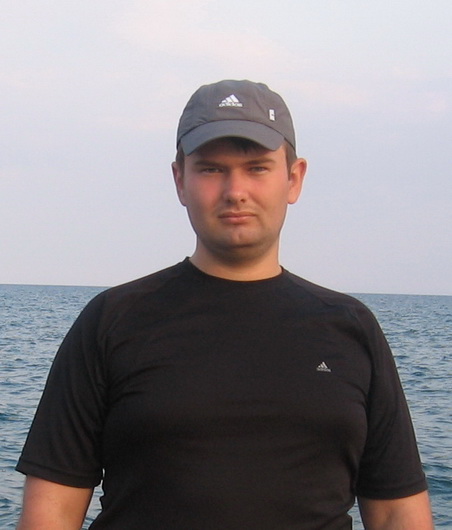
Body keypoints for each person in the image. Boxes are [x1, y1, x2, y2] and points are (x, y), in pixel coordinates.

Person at [16, 79, 433, 529]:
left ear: (294, 179)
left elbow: (396, 512)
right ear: (180, 180)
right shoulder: (111, 320)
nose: (235, 191)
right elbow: (51, 512)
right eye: (212, 169)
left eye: (257, 168)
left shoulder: (351, 327)